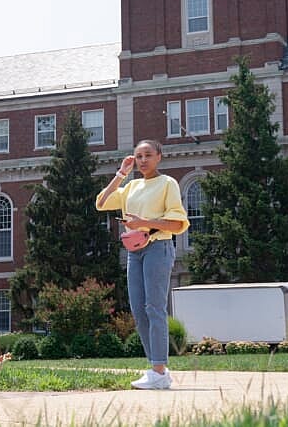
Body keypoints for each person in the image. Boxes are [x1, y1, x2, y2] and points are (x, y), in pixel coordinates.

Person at [96, 139, 188, 390]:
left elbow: (178, 224)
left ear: (159, 156)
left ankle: (159, 370)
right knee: (138, 310)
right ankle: (156, 369)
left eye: (148, 155)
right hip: (133, 252)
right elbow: (101, 203)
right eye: (138, 156)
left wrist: (143, 222)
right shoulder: (131, 186)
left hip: (158, 247)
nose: (143, 160)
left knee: (154, 308)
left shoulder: (168, 183)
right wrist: (121, 174)